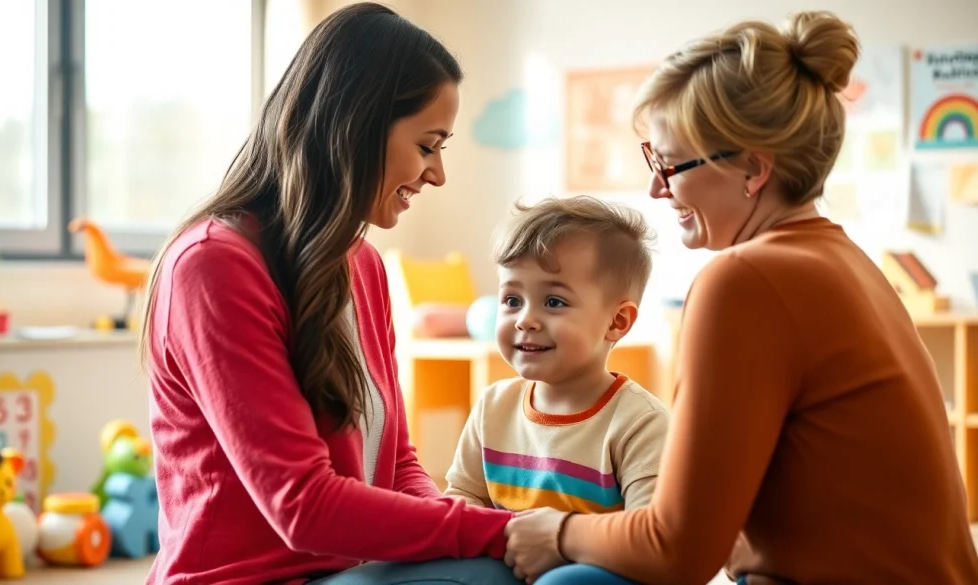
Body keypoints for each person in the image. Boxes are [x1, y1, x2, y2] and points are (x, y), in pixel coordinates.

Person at [504, 10, 978, 585]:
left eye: (669, 163)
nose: (656, 187)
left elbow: (677, 551)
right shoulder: (845, 261)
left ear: (753, 169)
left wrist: (556, 531)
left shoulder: (744, 279)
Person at [138, 3, 524, 584]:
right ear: (356, 129)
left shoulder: (363, 265)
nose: (437, 174)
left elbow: (397, 465)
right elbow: (303, 506)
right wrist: (506, 532)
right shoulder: (213, 266)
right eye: (427, 145)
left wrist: (473, 535)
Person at [444, 196, 669, 519]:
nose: (525, 320)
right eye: (512, 300)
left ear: (616, 322)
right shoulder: (493, 407)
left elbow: (645, 532)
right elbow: (463, 498)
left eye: (553, 302)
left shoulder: (640, 424)